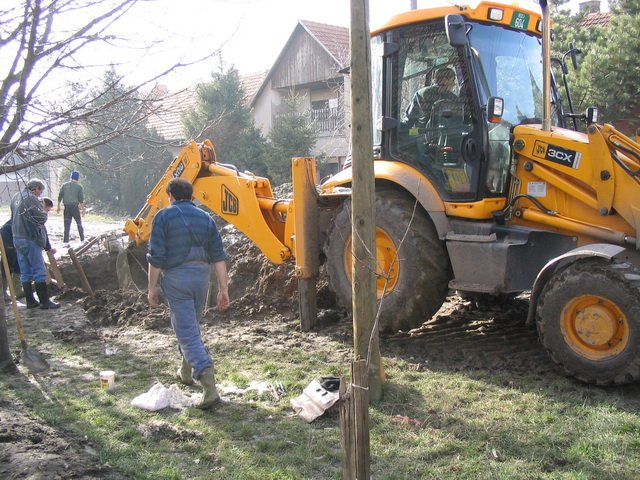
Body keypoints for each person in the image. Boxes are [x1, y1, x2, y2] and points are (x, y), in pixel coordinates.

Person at [146, 178, 230, 410]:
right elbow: (218, 256)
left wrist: (152, 287)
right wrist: (223, 289)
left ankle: (209, 387)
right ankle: (185, 371)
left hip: (177, 280)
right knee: (191, 325)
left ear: (170, 196)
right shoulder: (206, 218)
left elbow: (156, 257)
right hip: (202, 278)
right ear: (192, 197)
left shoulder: (163, 216)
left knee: (186, 331)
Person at [11, 179, 60, 309]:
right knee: (39, 271)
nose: (40, 194)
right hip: (30, 238)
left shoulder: (16, 196)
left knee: (25, 271)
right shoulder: (31, 199)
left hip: (17, 238)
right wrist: (44, 211)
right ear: (36, 188)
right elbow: (41, 218)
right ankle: (45, 301)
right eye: (40, 191)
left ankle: (30, 300)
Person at [57, 170, 85, 248]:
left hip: (67, 208)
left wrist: (58, 206)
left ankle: (65, 242)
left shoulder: (64, 185)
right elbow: (81, 199)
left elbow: (60, 196)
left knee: (67, 225)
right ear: (77, 178)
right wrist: (82, 210)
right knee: (79, 223)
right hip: (75, 208)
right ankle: (82, 240)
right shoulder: (79, 187)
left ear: (71, 177)